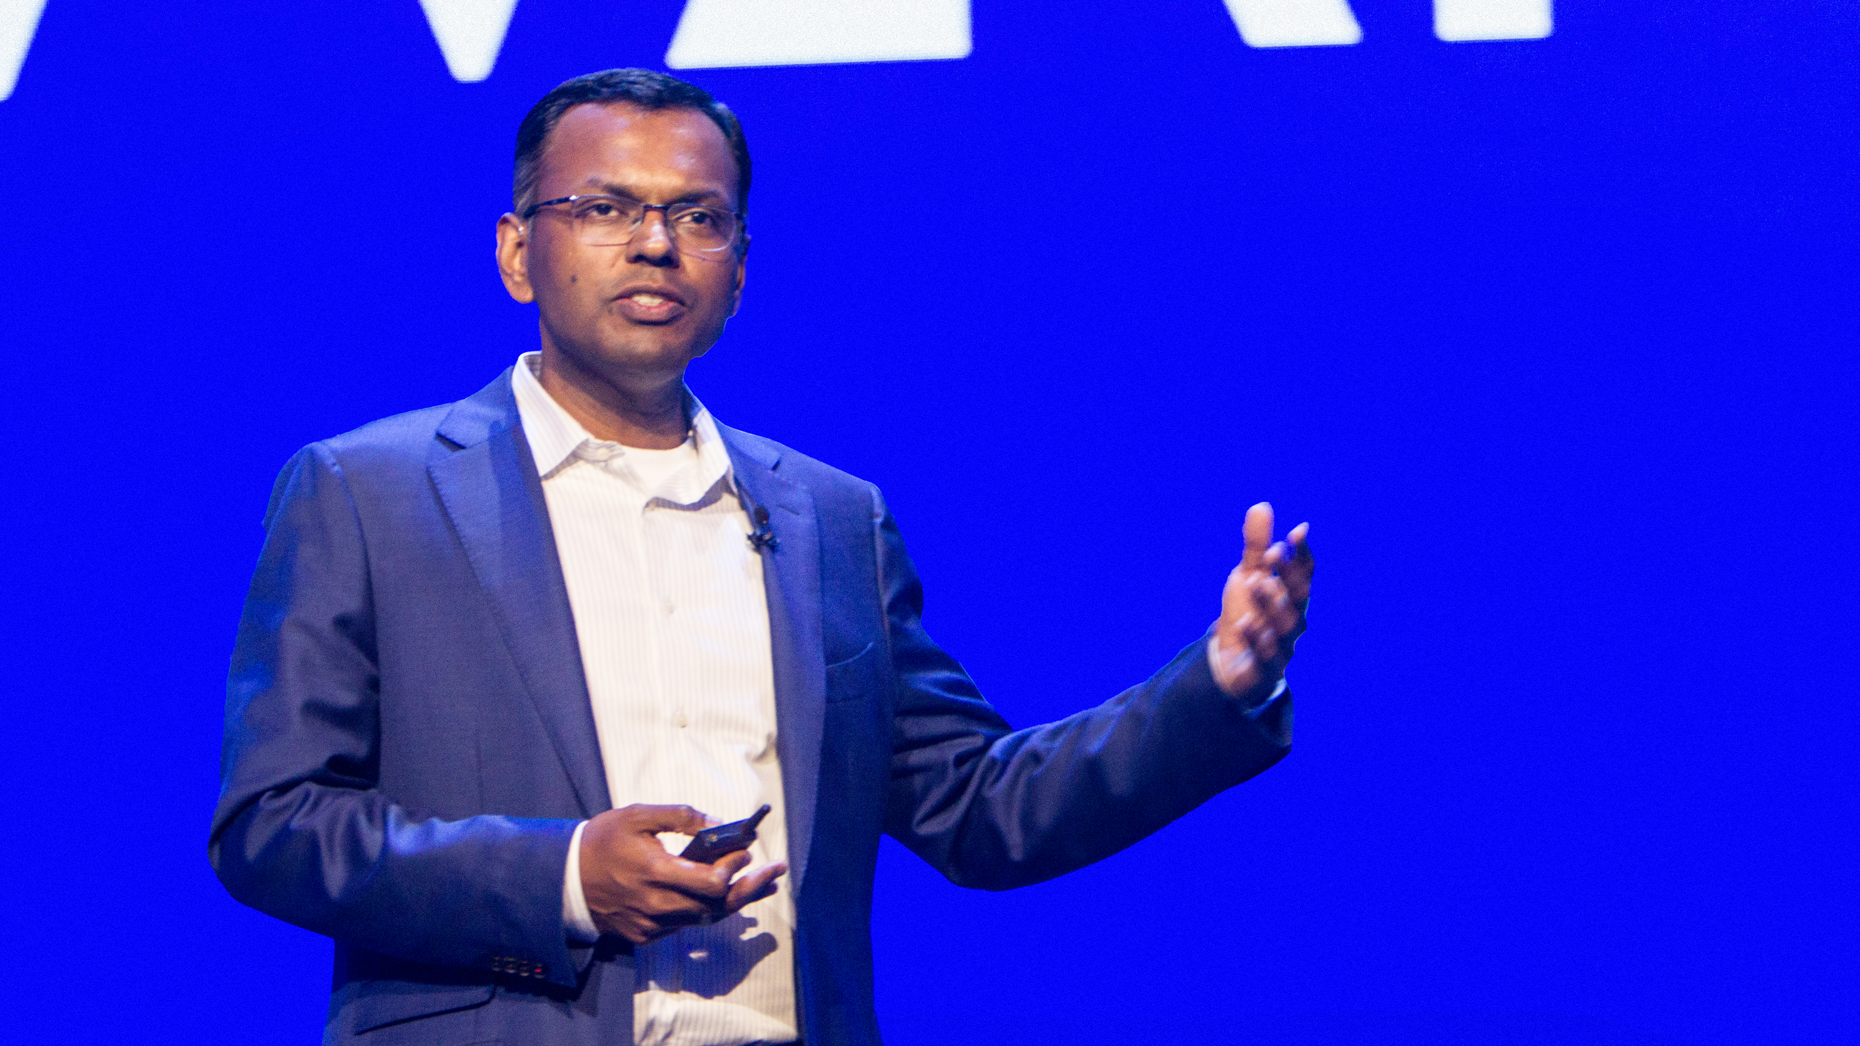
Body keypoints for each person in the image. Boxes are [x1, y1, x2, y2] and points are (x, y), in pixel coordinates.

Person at [210, 68, 1314, 1046]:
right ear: (516, 252)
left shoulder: (833, 518)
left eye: (698, 215)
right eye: (605, 208)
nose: (654, 241)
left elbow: (981, 808)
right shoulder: (369, 491)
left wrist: (1219, 679)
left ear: (738, 271)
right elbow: (273, 822)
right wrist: (562, 876)